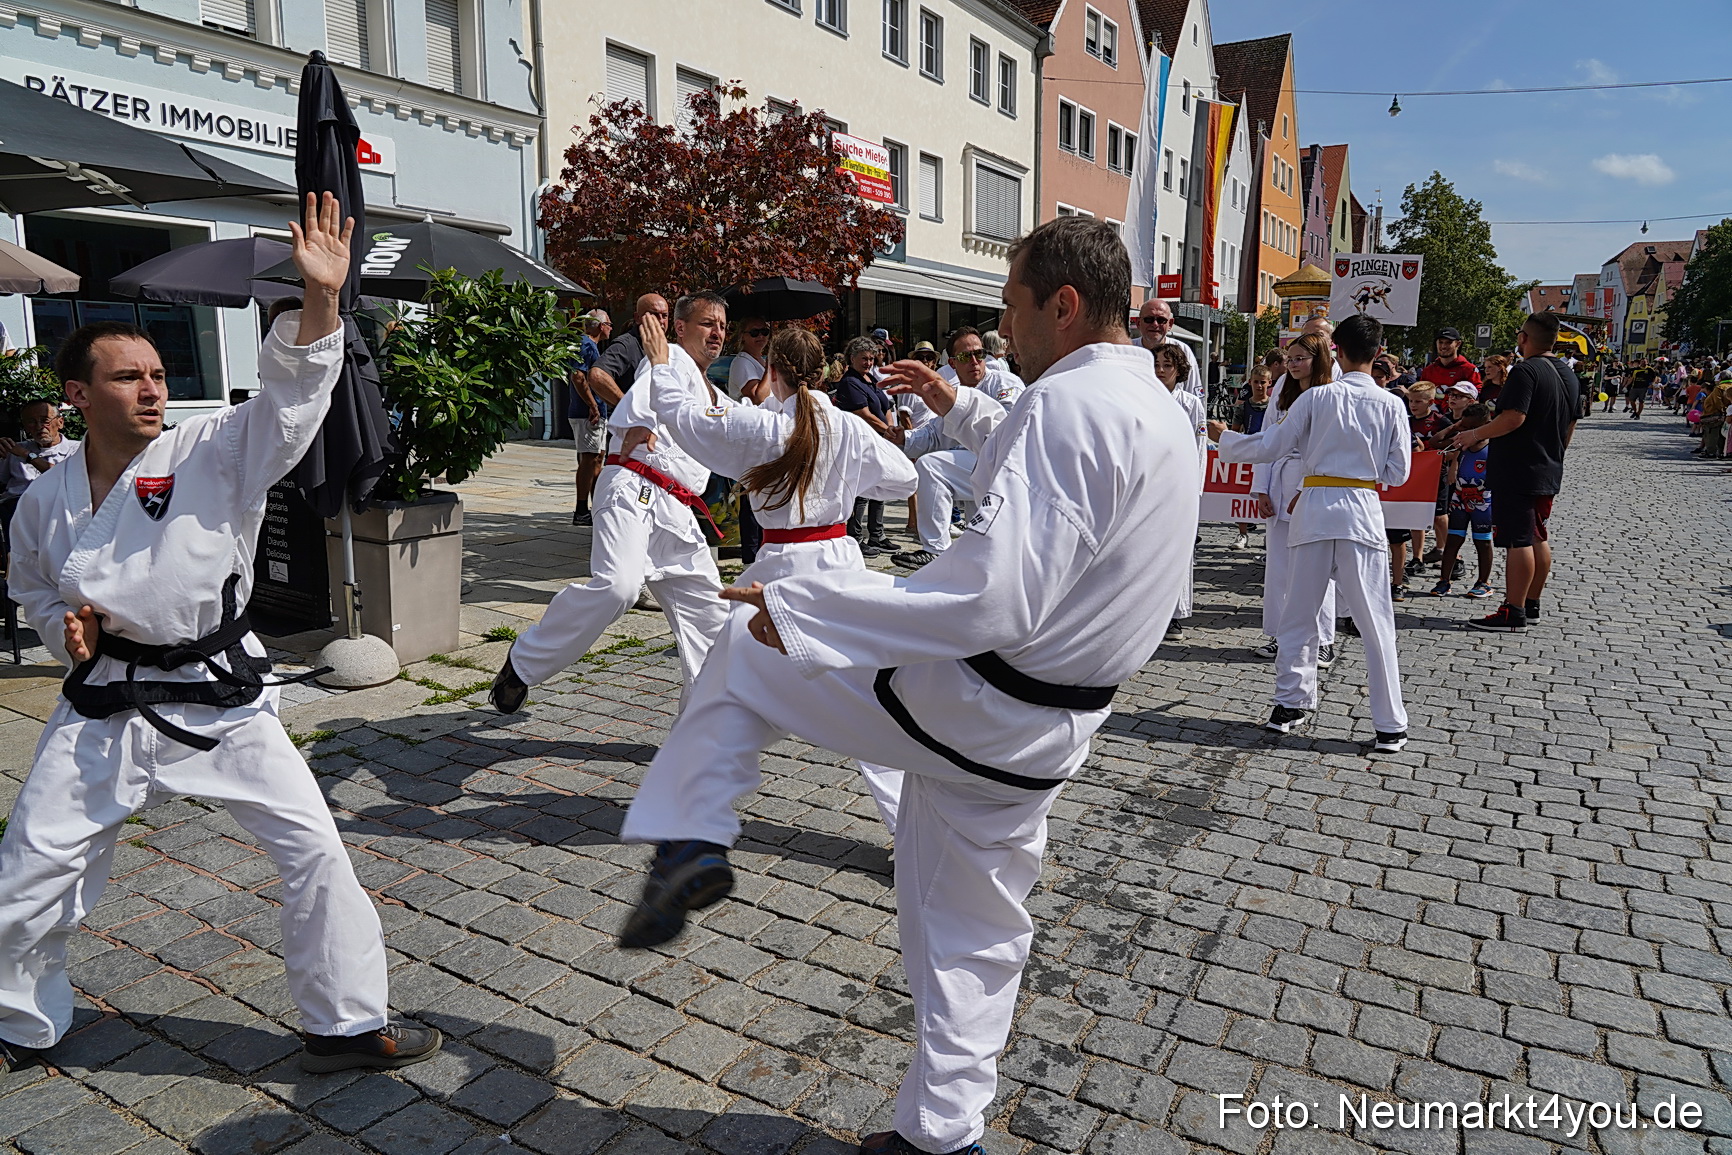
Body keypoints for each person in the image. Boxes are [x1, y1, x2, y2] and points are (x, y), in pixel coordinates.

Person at [611, 217, 1197, 1155]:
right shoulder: (1159, 410)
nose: (1003, 328)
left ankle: (692, 835)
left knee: (738, 648)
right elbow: (1061, 484)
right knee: (971, 919)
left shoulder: (1069, 409)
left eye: (1009, 306)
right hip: (1053, 725)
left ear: (1064, 303)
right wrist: (963, 411)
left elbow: (988, 595)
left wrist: (809, 616)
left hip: (978, 698)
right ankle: (941, 1130)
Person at [0, 193, 442, 1076]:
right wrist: (66, 631)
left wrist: (319, 302)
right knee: (26, 868)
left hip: (222, 697)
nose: (153, 387)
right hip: (106, 706)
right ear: (78, 394)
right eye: (129, 376)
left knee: (313, 850)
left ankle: (346, 1024)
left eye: (160, 372)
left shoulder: (212, 451)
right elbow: (38, 591)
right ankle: (16, 1020)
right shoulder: (44, 500)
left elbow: (288, 402)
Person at [638, 320, 917, 833]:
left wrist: (660, 363)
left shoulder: (761, 427)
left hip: (779, 574)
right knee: (865, 703)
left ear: (773, 370)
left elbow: (684, 420)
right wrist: (849, 474)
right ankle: (910, 826)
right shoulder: (845, 427)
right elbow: (904, 480)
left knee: (719, 688)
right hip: (839, 567)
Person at [489, 293, 735, 709]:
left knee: (713, 621)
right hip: (635, 489)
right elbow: (647, 388)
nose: (718, 333)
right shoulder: (669, 360)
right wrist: (635, 416)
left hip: (677, 510)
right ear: (678, 328)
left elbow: (744, 426)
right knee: (618, 588)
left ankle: (697, 738)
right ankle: (523, 662)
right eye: (708, 323)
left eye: (723, 326)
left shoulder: (713, 392)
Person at [1210, 313, 1411, 752]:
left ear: (1335, 348)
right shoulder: (1392, 403)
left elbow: (1270, 447)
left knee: (1299, 613)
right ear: (1377, 354)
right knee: (1376, 621)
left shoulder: (1316, 399)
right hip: (1361, 510)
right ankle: (1390, 724)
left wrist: (1225, 439)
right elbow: (1397, 473)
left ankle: (1289, 705)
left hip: (1316, 508)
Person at [1219, 334, 1340, 666]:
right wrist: (1261, 488)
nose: (1294, 364)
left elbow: (1326, 447)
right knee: (1278, 569)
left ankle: (1323, 638)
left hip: (1313, 485)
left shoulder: (1330, 389)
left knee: (1317, 568)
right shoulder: (1285, 385)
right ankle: (1278, 634)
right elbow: (1269, 437)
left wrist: (1306, 486)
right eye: (1291, 358)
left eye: (1301, 358)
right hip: (1279, 481)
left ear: (1319, 358)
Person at [1458, 311, 1581, 632]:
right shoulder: (1568, 373)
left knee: (1519, 541)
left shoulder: (1526, 371)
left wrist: (1472, 435)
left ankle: (1513, 610)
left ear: (1524, 338)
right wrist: (1556, 453)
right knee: (1538, 535)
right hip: (1547, 465)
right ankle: (1531, 603)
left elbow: (1513, 417)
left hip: (1518, 467)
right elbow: (1571, 422)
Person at [890, 327, 1024, 569]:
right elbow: (933, 434)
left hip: (1006, 469)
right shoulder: (955, 392)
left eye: (979, 354)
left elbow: (1010, 434)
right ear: (952, 363)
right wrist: (904, 438)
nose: (974, 361)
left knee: (931, 467)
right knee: (982, 550)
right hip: (977, 473)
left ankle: (935, 550)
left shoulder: (1004, 382)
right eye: (965, 357)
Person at [1150, 341, 1205, 642]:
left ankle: (1175, 614)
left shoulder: (1190, 404)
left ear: (1178, 370)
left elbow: (1200, 449)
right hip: (1151, 486)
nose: (1161, 371)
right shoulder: (1144, 398)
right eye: (1157, 365)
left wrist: (1194, 487)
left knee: (1180, 551)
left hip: (1179, 486)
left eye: (1167, 366)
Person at [835, 336, 897, 556]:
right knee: (862, 492)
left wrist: (890, 428)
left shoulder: (871, 378)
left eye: (871, 358)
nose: (869, 362)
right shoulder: (850, 382)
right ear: (852, 358)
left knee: (880, 486)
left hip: (880, 440)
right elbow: (863, 413)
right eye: (864, 358)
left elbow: (887, 406)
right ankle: (855, 537)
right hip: (860, 442)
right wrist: (887, 430)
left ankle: (877, 534)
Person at [1428, 402, 1495, 599]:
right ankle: (1444, 581)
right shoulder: (1461, 445)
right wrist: (1454, 427)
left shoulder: (1492, 448)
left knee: (1482, 542)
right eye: (1462, 426)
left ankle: (1483, 582)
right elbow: (1434, 443)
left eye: (1468, 428)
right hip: (1459, 501)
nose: (1463, 431)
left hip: (1483, 503)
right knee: (1453, 541)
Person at [725, 315, 772, 564]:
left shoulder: (759, 361)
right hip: (748, 437)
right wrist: (771, 368)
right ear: (742, 337)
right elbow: (758, 396)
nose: (761, 337)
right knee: (752, 497)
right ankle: (751, 556)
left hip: (762, 436)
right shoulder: (743, 363)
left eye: (764, 331)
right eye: (754, 332)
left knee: (763, 496)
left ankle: (760, 551)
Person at [2, 399, 79, 520]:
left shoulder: (77, 449)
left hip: (59, 509)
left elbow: (64, 478)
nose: (39, 426)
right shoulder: (14, 449)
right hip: (16, 508)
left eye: (45, 421)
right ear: (26, 427)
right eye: (31, 422)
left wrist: (27, 456)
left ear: (60, 422)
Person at [569, 309, 611, 527]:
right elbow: (578, 376)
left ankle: (596, 507)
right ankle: (581, 509)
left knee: (596, 458)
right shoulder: (586, 345)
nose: (610, 328)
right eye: (609, 324)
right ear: (601, 326)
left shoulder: (589, 345)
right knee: (589, 458)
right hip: (587, 413)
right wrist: (593, 405)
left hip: (592, 412)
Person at [1229, 366, 1275, 550]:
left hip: (1269, 456)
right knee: (1243, 494)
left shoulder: (1275, 406)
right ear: (1250, 382)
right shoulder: (1242, 406)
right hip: (1249, 455)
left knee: (1269, 496)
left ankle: (1267, 535)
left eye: (1263, 382)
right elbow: (1235, 432)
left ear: (1269, 383)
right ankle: (1242, 534)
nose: (1259, 386)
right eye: (1256, 382)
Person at [1134, 298, 1203, 403]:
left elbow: (1194, 395)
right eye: (1149, 319)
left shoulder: (1183, 351)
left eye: (1161, 320)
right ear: (1138, 323)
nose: (1155, 324)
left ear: (1170, 324)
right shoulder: (1126, 350)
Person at [1419, 327, 1482, 396]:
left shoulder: (1469, 369)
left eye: (1448, 342)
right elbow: (1420, 395)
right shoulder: (1428, 371)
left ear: (1458, 344)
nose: (1443, 346)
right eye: (1440, 342)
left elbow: (1476, 396)